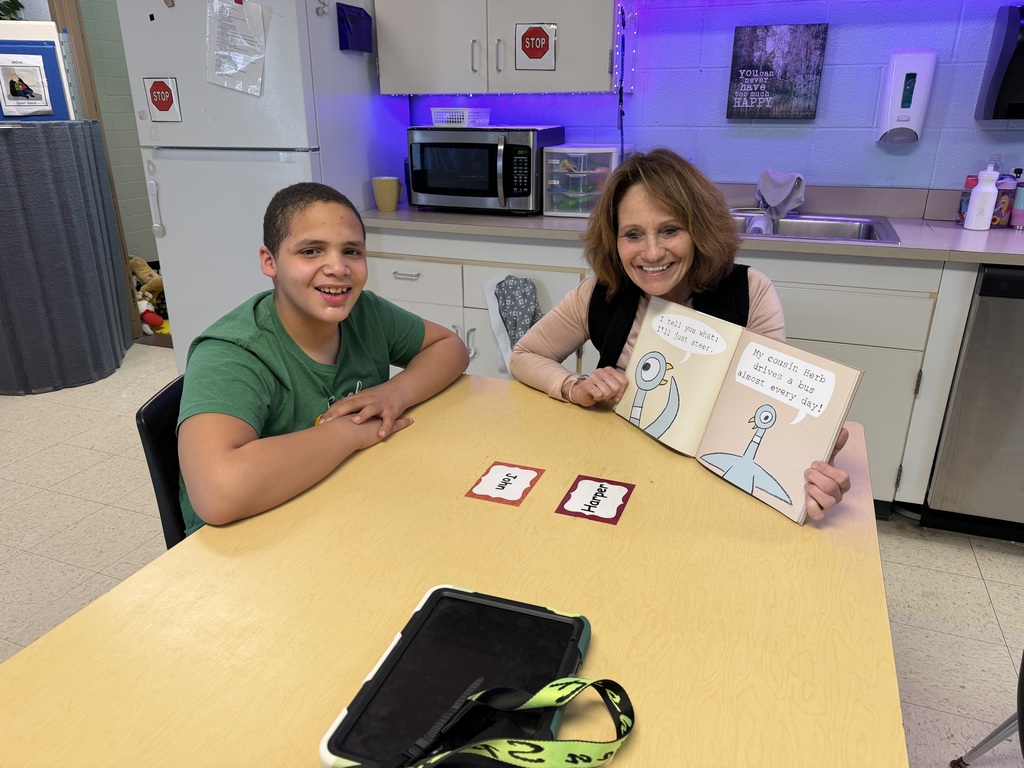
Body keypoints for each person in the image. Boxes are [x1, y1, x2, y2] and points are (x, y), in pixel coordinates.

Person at [509, 149, 849, 520]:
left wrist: (810, 458)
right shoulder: (599, 293)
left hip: (709, 495)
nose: (652, 253)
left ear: (699, 229)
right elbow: (524, 356)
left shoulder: (750, 292)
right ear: (614, 240)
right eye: (633, 235)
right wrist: (576, 387)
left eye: (670, 230)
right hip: (613, 480)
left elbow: (772, 410)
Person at [176, 182, 469, 535]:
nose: (338, 267)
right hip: (249, 547)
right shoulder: (232, 353)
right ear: (270, 261)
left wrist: (395, 393)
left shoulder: (365, 312)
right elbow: (218, 493)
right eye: (311, 251)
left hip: (345, 508)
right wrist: (350, 432)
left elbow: (449, 347)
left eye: (352, 251)